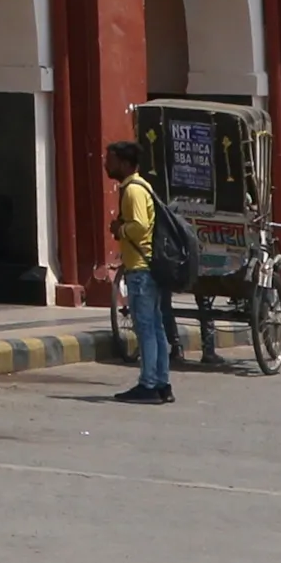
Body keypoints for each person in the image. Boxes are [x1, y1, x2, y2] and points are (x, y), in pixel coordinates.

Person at [109, 138, 174, 403]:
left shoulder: (133, 191)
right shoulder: (141, 186)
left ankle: (148, 385)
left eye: (110, 160)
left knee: (146, 328)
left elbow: (139, 225)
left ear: (124, 164)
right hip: (145, 266)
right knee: (155, 328)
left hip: (141, 271)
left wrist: (119, 230)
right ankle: (161, 383)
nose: (106, 164)